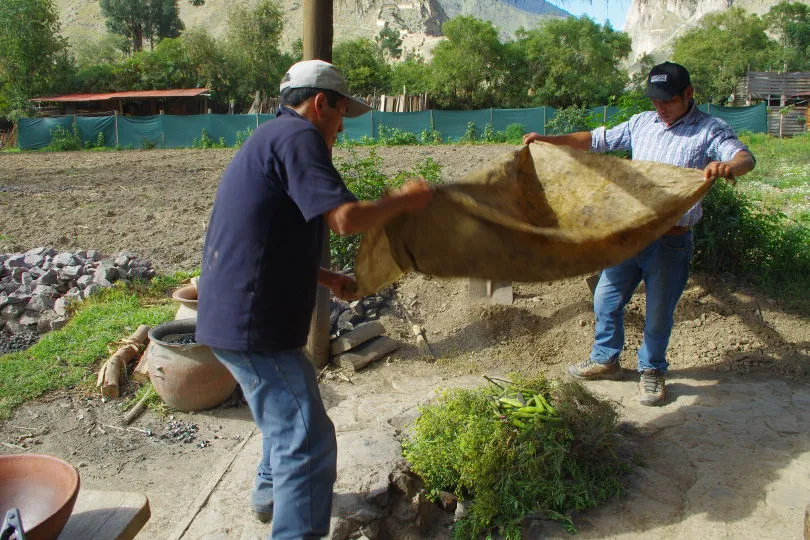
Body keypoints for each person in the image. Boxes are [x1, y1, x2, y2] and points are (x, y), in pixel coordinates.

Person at [195, 59, 432, 539]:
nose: (342, 129)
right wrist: (405, 201)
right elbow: (344, 218)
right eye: (342, 116)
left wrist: (325, 278)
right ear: (321, 103)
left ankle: (269, 496)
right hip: (252, 324)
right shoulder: (300, 137)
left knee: (284, 413)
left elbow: (268, 238)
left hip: (240, 312)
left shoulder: (272, 137)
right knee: (307, 437)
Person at [523, 61, 755, 406]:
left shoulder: (709, 129)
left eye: (667, 101)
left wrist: (727, 166)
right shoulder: (641, 123)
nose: (659, 108)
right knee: (605, 298)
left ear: (688, 95)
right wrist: (548, 141)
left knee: (659, 311)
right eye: (655, 101)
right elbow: (596, 140)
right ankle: (606, 360)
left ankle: (652, 371)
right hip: (629, 235)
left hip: (671, 241)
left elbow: (745, 157)